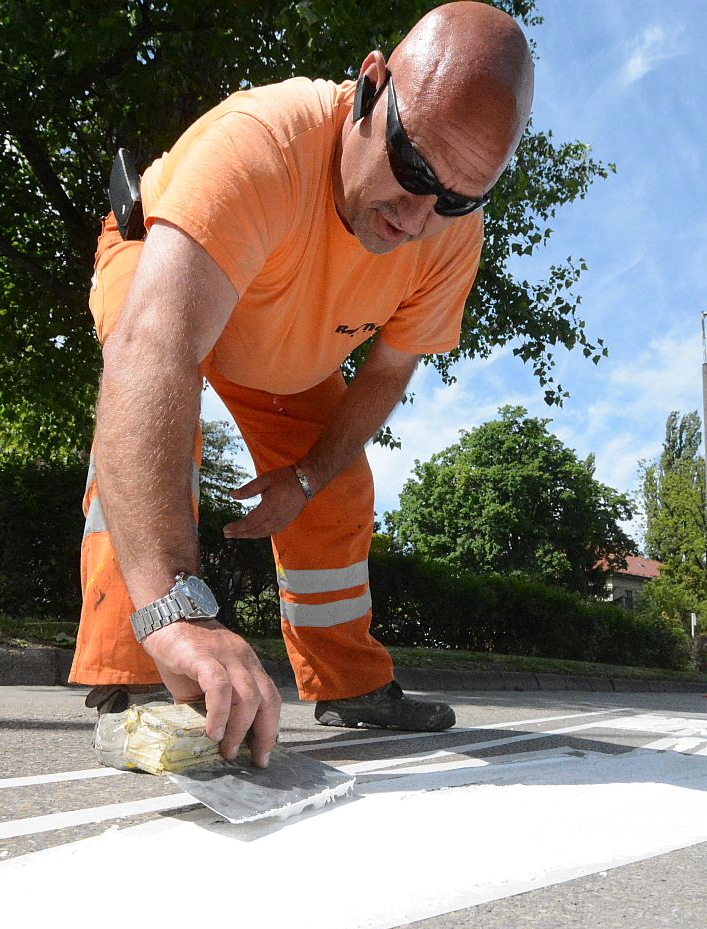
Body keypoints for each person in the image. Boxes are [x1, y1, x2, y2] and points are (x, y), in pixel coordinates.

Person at [72, 2, 535, 770]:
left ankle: (348, 682)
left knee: (341, 485)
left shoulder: (449, 237)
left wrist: (308, 474)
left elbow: (387, 370)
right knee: (154, 425)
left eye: (455, 197)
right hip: (163, 269)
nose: (418, 218)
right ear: (370, 85)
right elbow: (158, 345)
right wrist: (180, 605)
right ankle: (136, 658)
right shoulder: (264, 145)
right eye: (414, 168)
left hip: (278, 335)